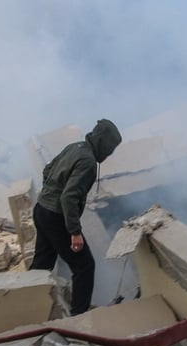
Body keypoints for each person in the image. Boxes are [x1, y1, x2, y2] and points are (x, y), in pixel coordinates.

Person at [29, 119, 122, 315]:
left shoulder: (74, 147)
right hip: (56, 217)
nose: (110, 153)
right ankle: (78, 318)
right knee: (84, 267)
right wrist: (75, 232)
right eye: (110, 149)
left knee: (41, 266)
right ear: (103, 144)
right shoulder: (88, 162)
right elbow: (68, 197)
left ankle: (26, 307)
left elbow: (47, 169)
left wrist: (49, 192)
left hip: (41, 209)